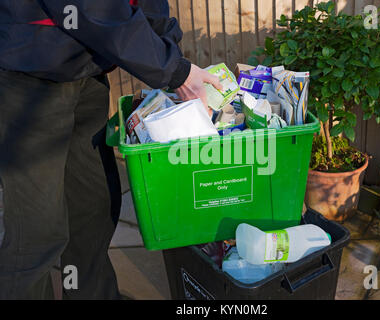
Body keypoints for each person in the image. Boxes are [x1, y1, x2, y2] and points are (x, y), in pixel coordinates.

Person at [0, 0, 221, 300]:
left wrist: (167, 48)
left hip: (86, 70)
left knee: (93, 205)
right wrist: (172, 70)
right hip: (29, 71)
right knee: (37, 232)